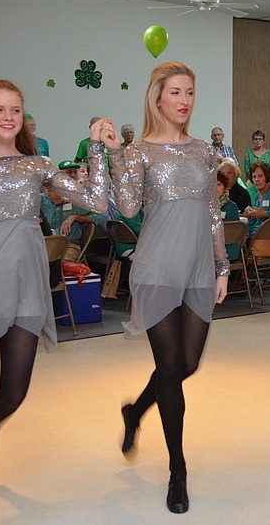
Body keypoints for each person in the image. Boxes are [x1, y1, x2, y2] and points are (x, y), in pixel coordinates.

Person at [0, 79, 108, 525]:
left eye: (15, 110)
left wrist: (97, 150)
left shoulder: (37, 166)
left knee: (13, 392)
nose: (8, 117)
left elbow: (97, 200)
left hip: (27, 290)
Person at [104, 61, 229, 515]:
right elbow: (129, 205)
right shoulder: (139, 152)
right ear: (158, 97)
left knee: (186, 365)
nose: (184, 101)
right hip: (156, 268)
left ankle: (136, 411)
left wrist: (222, 266)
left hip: (198, 268)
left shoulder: (202, 151)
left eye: (190, 92)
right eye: (175, 92)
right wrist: (117, 154)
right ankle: (178, 470)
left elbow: (214, 213)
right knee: (171, 368)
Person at [40, 179, 105, 261]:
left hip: (69, 245)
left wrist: (75, 217)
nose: (55, 194)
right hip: (44, 245)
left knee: (61, 265)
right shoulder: (40, 200)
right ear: (44, 191)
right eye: (50, 191)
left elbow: (100, 216)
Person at [217, 169, 240, 262]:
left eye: (218, 184)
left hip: (228, 251)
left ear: (225, 187)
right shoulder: (204, 206)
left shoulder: (231, 207)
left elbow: (231, 233)